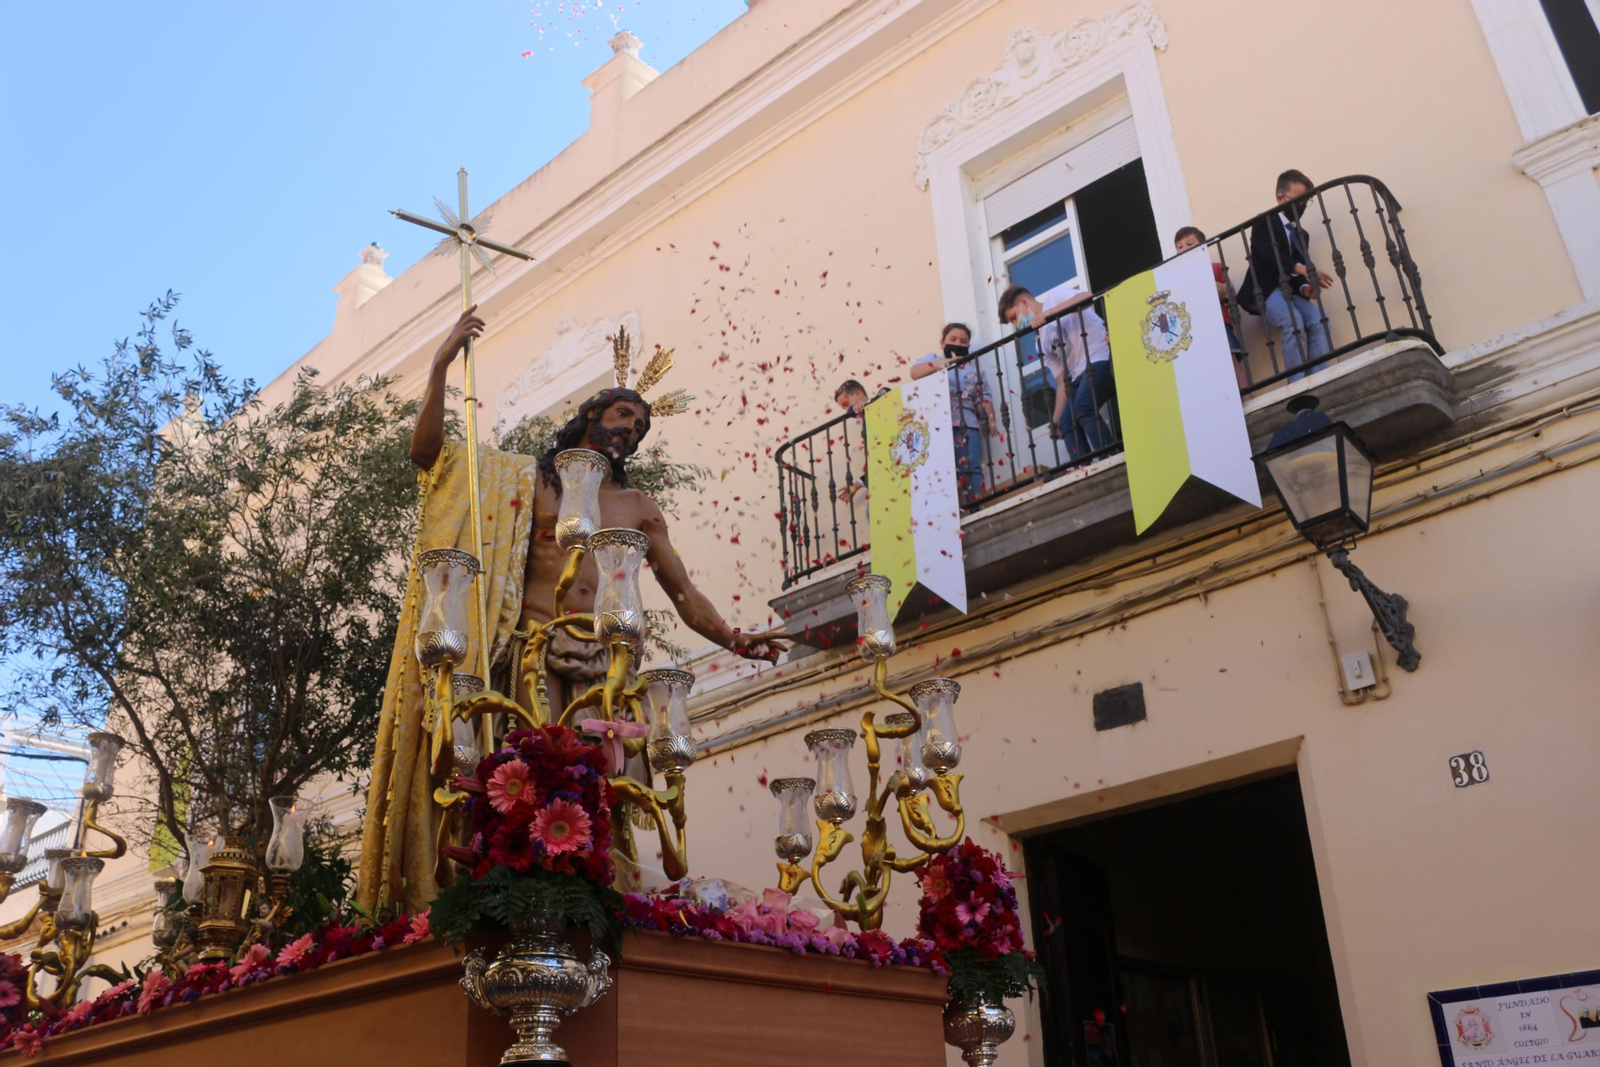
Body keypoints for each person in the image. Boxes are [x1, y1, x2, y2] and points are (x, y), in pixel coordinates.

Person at [360, 305, 787, 915]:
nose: (630, 430)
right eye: (621, 415)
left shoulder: (639, 505)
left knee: (599, 798)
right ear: (590, 416)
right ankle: (519, 901)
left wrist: (734, 639)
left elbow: (684, 595)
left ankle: (597, 903)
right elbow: (427, 455)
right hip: (532, 652)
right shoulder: (521, 481)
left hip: (605, 667)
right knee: (528, 787)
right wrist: (440, 364)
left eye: (640, 425)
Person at [998, 283, 1117, 464]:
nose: (1017, 324)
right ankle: (1085, 471)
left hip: (1100, 358)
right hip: (1078, 377)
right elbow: (1062, 382)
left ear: (1024, 302)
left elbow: (1086, 297)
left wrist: (1049, 313)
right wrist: (1055, 420)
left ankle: (1110, 459)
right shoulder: (1040, 343)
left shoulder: (1054, 297)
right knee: (1067, 423)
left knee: (1084, 407)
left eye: (1014, 317)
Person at [1247, 169, 1333, 383]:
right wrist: (1303, 268)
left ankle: (1319, 379)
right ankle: (1298, 384)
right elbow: (1269, 255)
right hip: (1267, 291)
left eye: (1306, 200)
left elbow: (1296, 274)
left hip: (1291, 292)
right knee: (1292, 321)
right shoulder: (1263, 222)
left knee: (1319, 321)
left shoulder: (1302, 235)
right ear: (1280, 198)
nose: (1302, 205)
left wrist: (1306, 288)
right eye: (1299, 199)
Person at [911, 322, 995, 506]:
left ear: (968, 346)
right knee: (941, 473)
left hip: (968, 425)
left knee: (971, 469)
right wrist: (943, 363)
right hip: (938, 425)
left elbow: (983, 398)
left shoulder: (975, 372)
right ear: (943, 343)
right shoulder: (932, 360)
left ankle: (975, 508)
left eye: (963, 341)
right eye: (953, 339)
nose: (958, 344)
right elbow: (914, 372)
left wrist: (991, 419)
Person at [1174, 226, 1250, 390]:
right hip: (1194, 328)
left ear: (1202, 245)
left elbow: (1230, 292)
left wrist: (1210, 285)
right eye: (1179, 247)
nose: (1184, 249)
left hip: (1218, 322)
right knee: (1208, 366)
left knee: (1230, 359)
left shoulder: (1215, 267)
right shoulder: (1176, 278)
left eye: (1189, 243)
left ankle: (1247, 395)